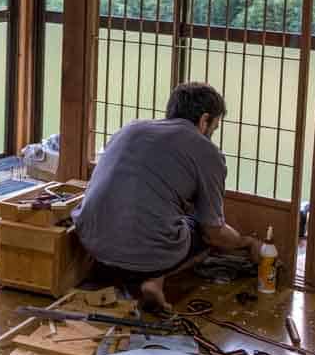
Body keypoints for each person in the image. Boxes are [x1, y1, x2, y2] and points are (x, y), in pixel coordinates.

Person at [72, 81, 261, 313]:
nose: (212, 133)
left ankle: (126, 275)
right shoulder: (206, 151)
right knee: (200, 231)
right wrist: (247, 242)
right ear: (204, 120)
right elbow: (213, 232)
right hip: (145, 254)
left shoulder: (131, 128)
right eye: (215, 126)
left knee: (158, 209)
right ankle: (153, 280)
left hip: (90, 243)